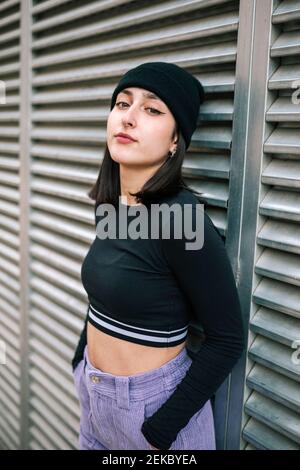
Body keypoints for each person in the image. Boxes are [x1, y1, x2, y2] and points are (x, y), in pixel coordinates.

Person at [71, 61, 246, 451]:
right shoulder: (115, 209)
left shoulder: (183, 222)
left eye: (152, 109)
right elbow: (102, 292)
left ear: (174, 141)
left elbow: (227, 339)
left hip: (152, 417)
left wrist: (160, 429)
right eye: (122, 103)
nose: (128, 118)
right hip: (95, 404)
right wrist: (80, 361)